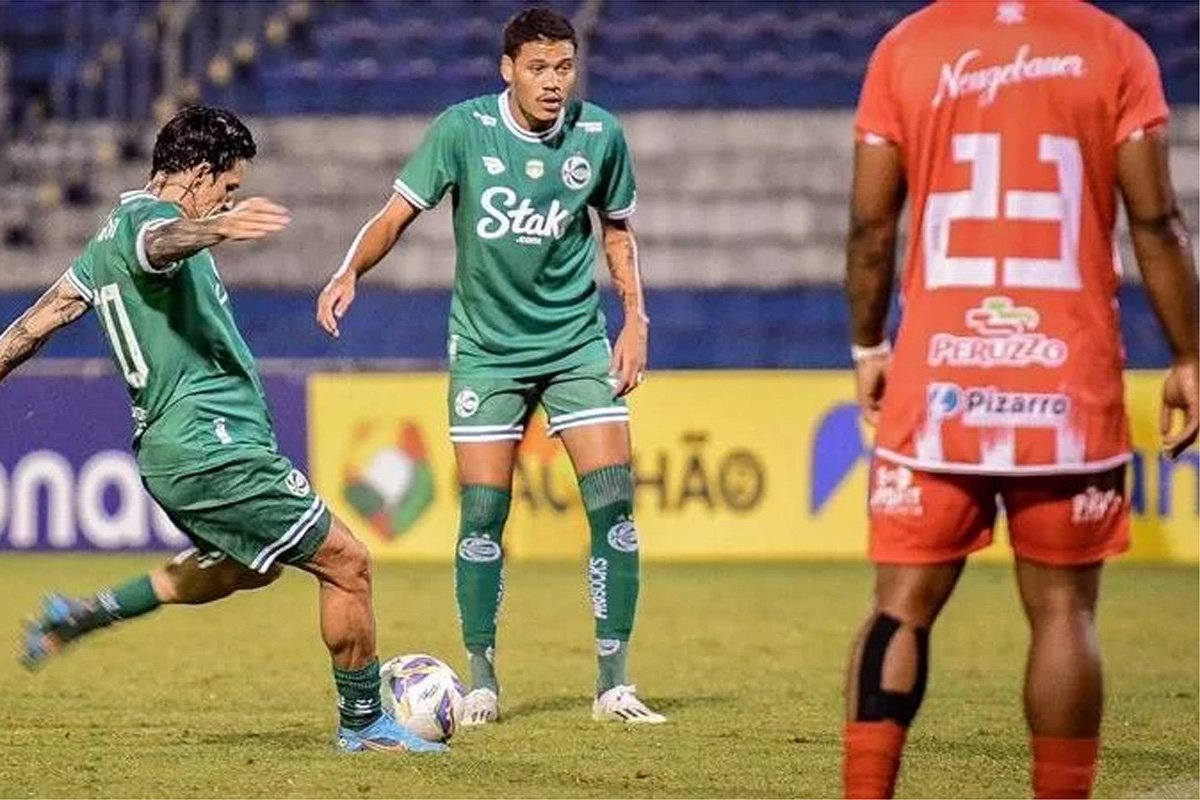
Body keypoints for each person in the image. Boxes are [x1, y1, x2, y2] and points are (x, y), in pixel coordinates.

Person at [4, 106, 445, 755]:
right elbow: (160, 244)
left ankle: (84, 612)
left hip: (172, 451)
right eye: (227, 188)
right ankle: (362, 724)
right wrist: (216, 229)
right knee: (348, 563)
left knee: (246, 567)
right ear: (199, 174)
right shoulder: (149, 223)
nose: (227, 199)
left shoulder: (101, 245)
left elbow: (32, 326)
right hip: (211, 443)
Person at [840, 1, 1198, 797]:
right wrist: (1190, 354)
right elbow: (1157, 219)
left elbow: (871, 226)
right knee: (1066, 610)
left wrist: (868, 346)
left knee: (900, 606)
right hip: (1064, 377)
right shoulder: (1114, 48)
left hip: (939, 374)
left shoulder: (909, 46)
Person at [317, 7, 664, 727]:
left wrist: (635, 320)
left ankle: (614, 686)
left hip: (575, 344)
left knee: (615, 508)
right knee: (483, 515)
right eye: (538, 68)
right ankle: (480, 681)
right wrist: (350, 272)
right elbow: (395, 213)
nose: (552, 82)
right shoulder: (462, 130)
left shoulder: (600, 135)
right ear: (507, 68)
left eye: (563, 67)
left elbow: (619, 231)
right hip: (486, 352)